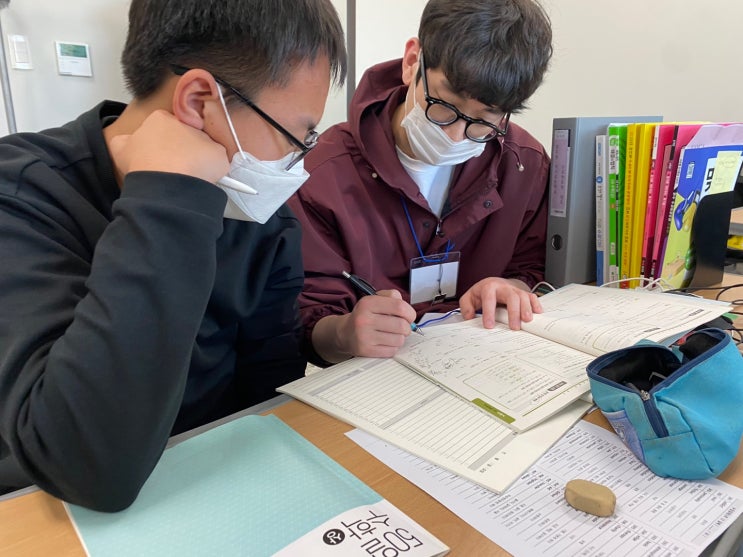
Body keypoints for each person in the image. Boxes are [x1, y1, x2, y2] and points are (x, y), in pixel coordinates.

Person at [0, 0, 346, 511]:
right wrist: (169, 195)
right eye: (297, 136)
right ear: (200, 101)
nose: (296, 163)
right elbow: (87, 467)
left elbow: (270, 389)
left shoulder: (262, 218)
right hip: (52, 512)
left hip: (210, 481)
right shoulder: (21, 196)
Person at [288, 0, 552, 365]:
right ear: (413, 61)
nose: (456, 136)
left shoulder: (523, 164)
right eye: (445, 106)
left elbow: (534, 268)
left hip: (484, 368)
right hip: (373, 381)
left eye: (483, 121)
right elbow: (306, 323)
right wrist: (345, 332)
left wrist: (512, 288)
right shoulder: (321, 174)